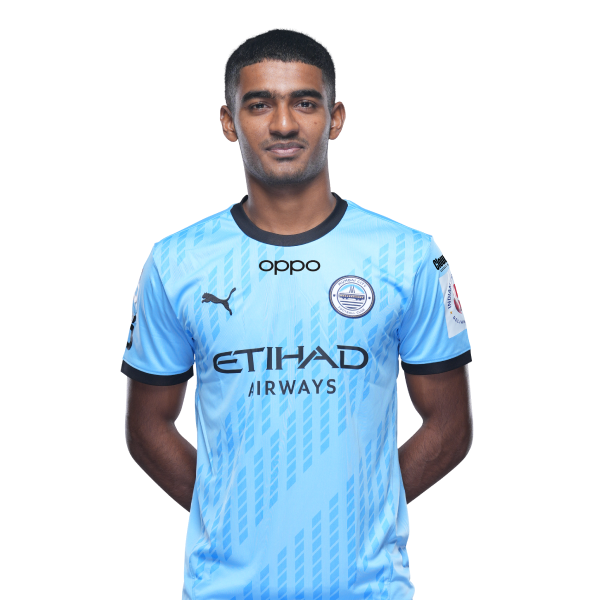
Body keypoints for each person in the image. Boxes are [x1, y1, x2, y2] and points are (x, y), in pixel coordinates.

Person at [122, 27, 472, 600]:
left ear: (335, 119)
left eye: (304, 103)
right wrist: (233, 517)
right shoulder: (177, 261)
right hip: (223, 590)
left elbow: (451, 426)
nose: (283, 124)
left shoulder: (407, 255)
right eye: (259, 104)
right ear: (228, 122)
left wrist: (362, 511)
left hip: (368, 589)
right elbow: (146, 427)